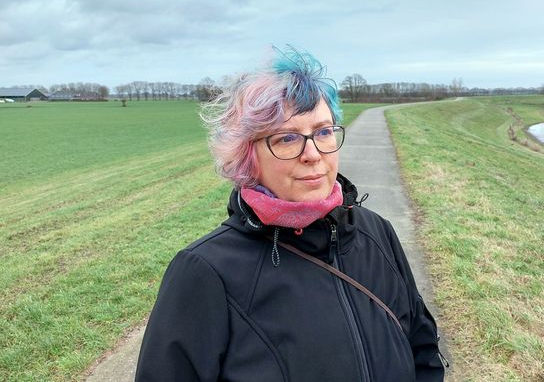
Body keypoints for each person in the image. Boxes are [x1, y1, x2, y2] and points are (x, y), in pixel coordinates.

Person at [135, 46, 446, 381]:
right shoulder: (205, 273)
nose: (313, 154)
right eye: (287, 138)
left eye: (324, 132)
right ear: (247, 156)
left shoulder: (376, 232)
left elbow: (422, 349)